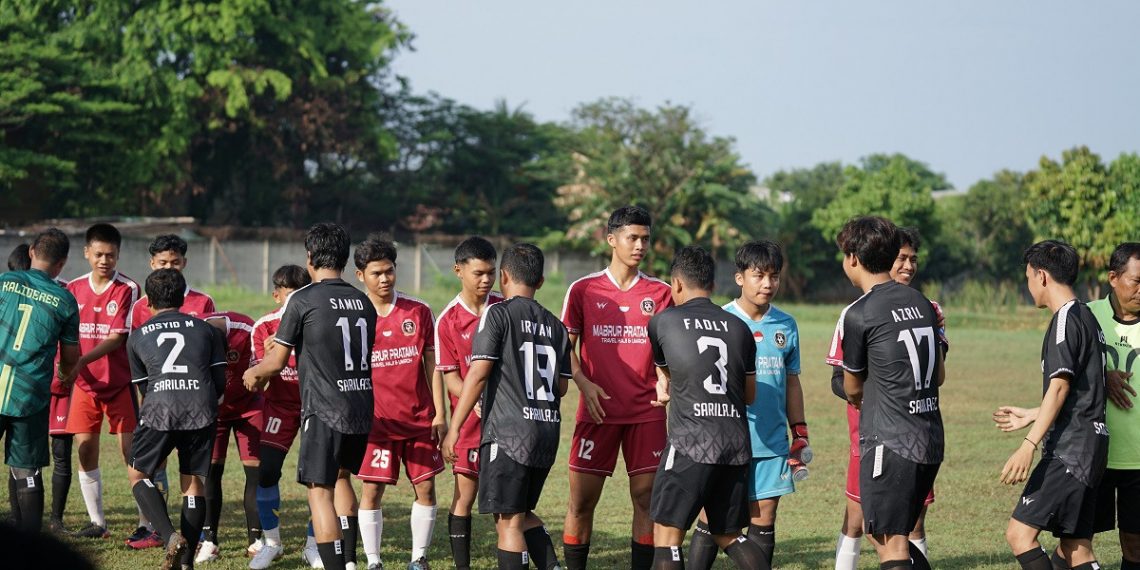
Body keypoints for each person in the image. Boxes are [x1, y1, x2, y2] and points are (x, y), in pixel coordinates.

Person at [243, 223, 377, 570]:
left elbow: (274, 362)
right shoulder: (364, 301)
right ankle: (347, 560)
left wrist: (252, 373)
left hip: (324, 410)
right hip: (361, 407)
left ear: (309, 257)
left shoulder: (302, 300)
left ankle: (334, 565)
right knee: (343, 479)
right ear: (346, 260)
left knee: (320, 492)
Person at [442, 243, 569, 570]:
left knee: (508, 521)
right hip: (547, 431)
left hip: (510, 435)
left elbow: (478, 374)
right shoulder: (557, 325)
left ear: (504, 276)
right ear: (540, 281)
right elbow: (562, 386)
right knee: (522, 513)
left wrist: (453, 429)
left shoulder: (496, 314)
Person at [561, 206, 673, 570]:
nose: (640, 245)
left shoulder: (661, 292)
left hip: (647, 412)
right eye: (633, 238)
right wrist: (583, 382)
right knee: (581, 502)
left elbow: (674, 349)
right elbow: (566, 348)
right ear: (612, 240)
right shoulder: (583, 289)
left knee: (646, 500)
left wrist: (665, 377)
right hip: (597, 411)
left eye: (645, 239)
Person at [645, 244, 768, 570]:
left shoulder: (662, 322)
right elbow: (750, 394)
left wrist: (668, 389)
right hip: (735, 443)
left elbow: (670, 374)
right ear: (713, 285)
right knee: (729, 534)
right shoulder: (740, 329)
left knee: (667, 534)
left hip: (690, 442)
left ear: (677, 284)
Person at [831, 227, 947, 569]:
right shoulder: (925, 304)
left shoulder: (860, 312)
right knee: (894, 534)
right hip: (930, 436)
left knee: (890, 543)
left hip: (890, 441)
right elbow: (938, 375)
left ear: (853, 259)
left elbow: (851, 388)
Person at [688, 240, 807, 569]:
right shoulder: (720, 320)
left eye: (774, 276)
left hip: (771, 441)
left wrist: (799, 430)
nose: (768, 284)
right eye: (759, 275)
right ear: (740, 278)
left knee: (763, 518)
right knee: (710, 518)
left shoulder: (786, 325)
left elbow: (792, 381)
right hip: (723, 439)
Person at [993, 240, 1109, 570]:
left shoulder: (1064, 321)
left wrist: (1027, 446)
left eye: (1028, 277)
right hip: (1092, 445)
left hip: (1070, 451)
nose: (1028, 284)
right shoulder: (1086, 316)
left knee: (1019, 535)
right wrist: (1032, 415)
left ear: (1041, 276)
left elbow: (1059, 388)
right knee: (1075, 550)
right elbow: (1081, 391)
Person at [351, 238, 444, 570]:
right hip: (376, 424)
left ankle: (419, 558)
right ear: (360, 275)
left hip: (419, 420)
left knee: (427, 488)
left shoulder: (418, 311)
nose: (385, 279)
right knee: (372, 491)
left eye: (389, 271)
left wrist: (439, 412)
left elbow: (432, 365)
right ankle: (374, 561)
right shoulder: (355, 315)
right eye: (376, 273)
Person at [126, 268, 228, 570]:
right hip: (201, 409)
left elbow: (144, 387)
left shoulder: (137, 336)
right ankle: (186, 564)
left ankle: (170, 536)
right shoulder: (208, 330)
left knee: (138, 474)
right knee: (192, 483)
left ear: (147, 302)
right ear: (183, 297)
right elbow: (220, 382)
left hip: (160, 407)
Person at [63, 223, 141, 539]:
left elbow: (115, 339)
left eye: (111, 255)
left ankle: (145, 523)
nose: (104, 260)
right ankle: (98, 523)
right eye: (98, 254)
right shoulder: (73, 289)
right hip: (84, 385)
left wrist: (80, 359)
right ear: (86, 253)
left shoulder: (127, 289)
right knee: (84, 449)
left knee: (131, 453)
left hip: (118, 383)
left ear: (118, 254)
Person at [0, 229, 80, 532]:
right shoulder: (65, 300)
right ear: (61, 264)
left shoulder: (4, 282)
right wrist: (64, 373)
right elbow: (71, 357)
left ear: (31, 251)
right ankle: (31, 548)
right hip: (30, 393)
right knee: (27, 470)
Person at [434, 237, 502, 570]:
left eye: (491, 273)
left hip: (507, 420)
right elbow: (450, 378)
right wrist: (474, 400)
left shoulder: (504, 307)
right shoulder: (447, 321)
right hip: (471, 422)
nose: (486, 280)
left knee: (507, 498)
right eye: (479, 273)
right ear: (458, 271)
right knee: (465, 495)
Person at [248, 265, 319, 569]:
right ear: (277, 295)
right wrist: (266, 359)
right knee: (267, 473)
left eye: (300, 296)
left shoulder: (317, 321)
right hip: (279, 407)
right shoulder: (263, 327)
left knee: (318, 477)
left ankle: (314, 545)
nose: (294, 302)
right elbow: (257, 383)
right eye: (288, 295)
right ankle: (272, 543)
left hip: (315, 406)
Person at [196, 311, 265, 563]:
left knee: (255, 472)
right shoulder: (195, 333)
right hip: (213, 412)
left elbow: (263, 367)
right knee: (211, 473)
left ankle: (256, 540)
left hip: (250, 407)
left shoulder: (246, 329)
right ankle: (210, 541)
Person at [1091, 242, 1140, 569]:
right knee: (1074, 542)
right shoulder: (1086, 315)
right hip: (1093, 452)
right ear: (1113, 277)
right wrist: (1101, 376)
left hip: (1137, 458)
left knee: (1135, 547)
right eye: (1137, 281)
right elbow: (1062, 375)